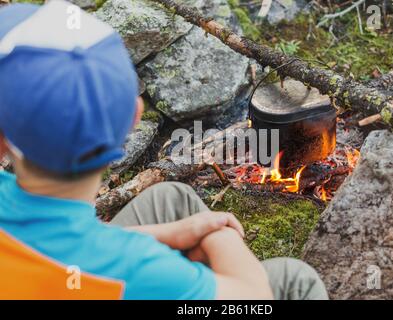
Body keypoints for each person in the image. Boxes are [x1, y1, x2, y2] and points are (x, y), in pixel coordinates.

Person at [0, 0, 328, 300]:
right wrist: (221, 236)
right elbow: (255, 297)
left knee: (171, 198)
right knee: (293, 278)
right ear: (134, 117)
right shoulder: (139, 271)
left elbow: (63, 242)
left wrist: (170, 233)